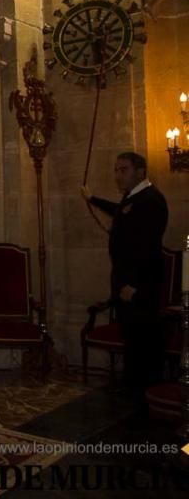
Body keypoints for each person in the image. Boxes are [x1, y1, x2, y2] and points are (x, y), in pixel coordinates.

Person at [81, 151, 168, 391]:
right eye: (116, 170)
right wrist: (93, 199)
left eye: (124, 170)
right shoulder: (133, 198)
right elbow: (120, 212)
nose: (118, 175)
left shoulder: (151, 200)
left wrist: (136, 286)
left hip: (139, 287)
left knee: (144, 344)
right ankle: (134, 392)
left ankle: (147, 395)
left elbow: (148, 247)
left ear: (140, 172)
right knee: (132, 341)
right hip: (125, 285)